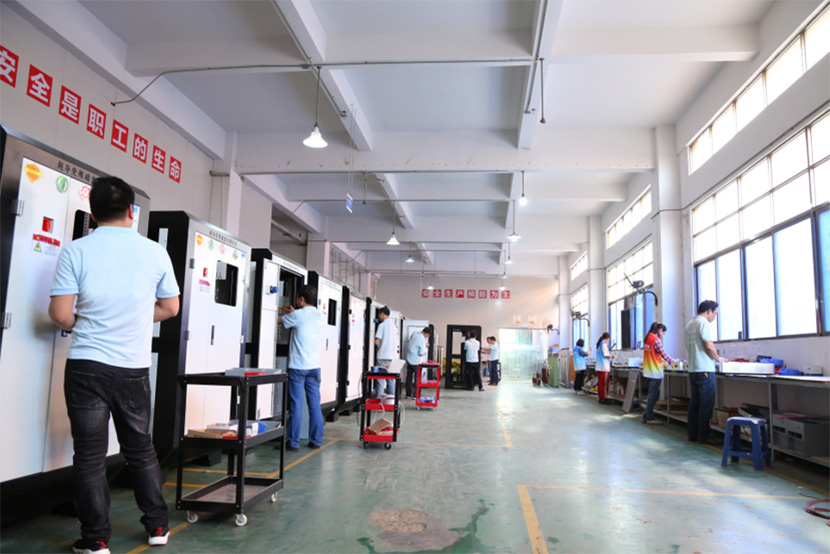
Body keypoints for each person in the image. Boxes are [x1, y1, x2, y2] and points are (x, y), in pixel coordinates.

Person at [48, 176, 180, 554]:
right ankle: (157, 526)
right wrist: (133, 318)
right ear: (131, 211)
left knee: (90, 455)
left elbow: (60, 314)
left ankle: (96, 540)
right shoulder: (155, 252)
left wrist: (88, 321)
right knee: (140, 449)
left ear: (92, 214)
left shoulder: (76, 251)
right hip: (133, 369)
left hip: (86, 366)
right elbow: (170, 308)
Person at [278, 285, 325, 452]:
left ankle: (293, 443)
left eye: (298, 298)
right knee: (315, 405)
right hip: (315, 367)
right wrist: (293, 313)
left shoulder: (297, 315)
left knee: (296, 405)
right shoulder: (320, 316)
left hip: (298, 368)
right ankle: (316, 440)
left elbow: (279, 320)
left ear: (302, 299)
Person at [684, 300, 727, 444]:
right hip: (705, 370)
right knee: (706, 404)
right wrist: (718, 359)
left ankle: (693, 434)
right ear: (709, 311)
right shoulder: (704, 323)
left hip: (693, 369)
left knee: (695, 404)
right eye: (715, 313)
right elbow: (709, 345)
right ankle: (704, 436)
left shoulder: (689, 325)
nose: (714, 317)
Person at [642, 322, 676, 425]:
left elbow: (655, 353)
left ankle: (646, 415)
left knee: (651, 394)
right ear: (660, 331)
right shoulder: (655, 339)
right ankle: (649, 417)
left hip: (648, 370)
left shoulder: (647, 338)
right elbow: (664, 354)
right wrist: (674, 361)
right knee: (653, 396)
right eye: (663, 333)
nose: (663, 336)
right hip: (655, 371)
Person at [374, 306, 398, 398]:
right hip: (392, 357)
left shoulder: (382, 325)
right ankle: (391, 401)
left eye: (379, 315)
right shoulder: (394, 326)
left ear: (382, 314)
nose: (379, 317)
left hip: (382, 356)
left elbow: (376, 342)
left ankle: (379, 400)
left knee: (380, 379)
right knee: (391, 379)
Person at [405, 327, 431, 399]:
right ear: (427, 334)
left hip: (409, 359)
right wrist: (426, 348)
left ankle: (408, 394)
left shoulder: (414, 333)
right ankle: (415, 395)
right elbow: (421, 353)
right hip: (416, 362)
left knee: (409, 377)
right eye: (427, 336)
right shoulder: (422, 339)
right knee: (417, 378)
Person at [595, 332, 616, 404]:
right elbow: (606, 355)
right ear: (608, 338)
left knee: (600, 383)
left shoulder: (599, 344)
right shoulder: (604, 344)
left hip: (600, 367)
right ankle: (604, 398)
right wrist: (613, 356)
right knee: (604, 383)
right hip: (604, 367)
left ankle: (601, 397)